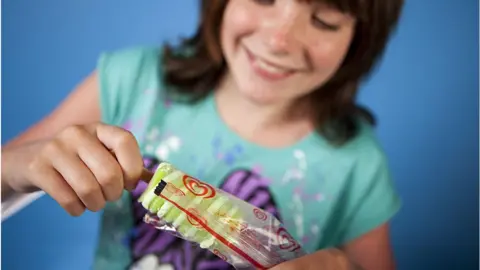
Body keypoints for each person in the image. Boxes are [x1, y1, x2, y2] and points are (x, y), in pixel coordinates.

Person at [1, 0, 404, 269]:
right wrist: (15, 166)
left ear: (361, 39)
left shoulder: (357, 163)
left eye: (324, 19)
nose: (279, 40)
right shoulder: (134, 81)